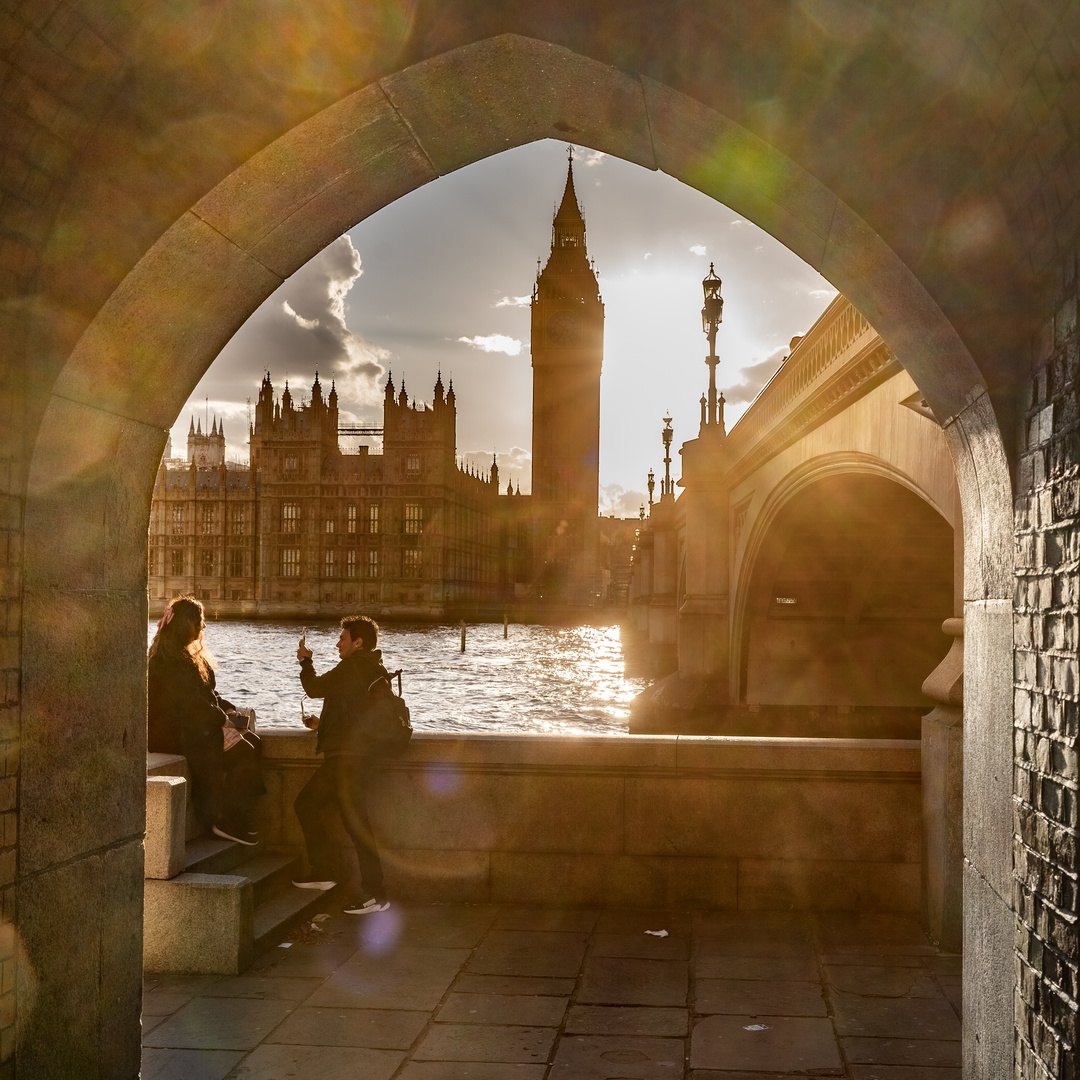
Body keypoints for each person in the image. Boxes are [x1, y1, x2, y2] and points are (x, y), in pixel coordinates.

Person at [292, 615, 391, 915]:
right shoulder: (371, 667)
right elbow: (355, 715)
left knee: (312, 807)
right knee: (345, 820)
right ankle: (335, 876)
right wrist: (322, 724)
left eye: (343, 638)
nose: (338, 643)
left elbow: (315, 688)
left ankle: (371, 892)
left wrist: (305, 662)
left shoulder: (353, 666)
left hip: (347, 760)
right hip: (357, 756)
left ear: (358, 642)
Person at [147, 595, 265, 845]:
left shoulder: (187, 657)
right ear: (186, 624)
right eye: (200, 621)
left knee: (254, 740)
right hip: (176, 734)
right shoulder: (166, 662)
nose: (203, 627)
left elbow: (209, 696)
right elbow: (190, 705)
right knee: (244, 752)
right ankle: (222, 819)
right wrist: (224, 722)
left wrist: (231, 711)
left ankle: (239, 816)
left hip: (194, 726)